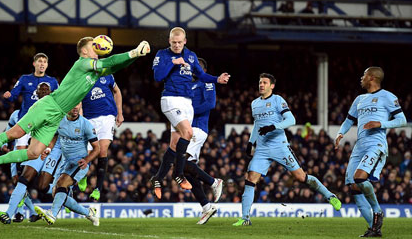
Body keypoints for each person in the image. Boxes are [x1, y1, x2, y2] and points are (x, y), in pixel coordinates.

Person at [0, 37, 150, 179]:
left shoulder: (94, 70)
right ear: (84, 51)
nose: (97, 49)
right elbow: (107, 62)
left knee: (33, 153)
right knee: (15, 134)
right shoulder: (82, 63)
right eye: (93, 47)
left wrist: (137, 55)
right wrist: (133, 52)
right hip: (48, 106)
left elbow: (114, 66)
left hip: (57, 115)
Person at [233, 73, 341, 226]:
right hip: (262, 149)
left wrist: (273, 126)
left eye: (264, 82)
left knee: (300, 177)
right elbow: (257, 124)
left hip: (280, 146)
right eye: (260, 82)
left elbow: (291, 120)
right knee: (250, 179)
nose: (261, 85)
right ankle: (245, 218)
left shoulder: (278, 100)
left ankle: (329, 195)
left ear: (272, 86)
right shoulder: (254, 103)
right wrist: (250, 142)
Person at [152, 27, 229, 190]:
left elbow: (201, 75)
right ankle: (178, 174)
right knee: (188, 133)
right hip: (171, 98)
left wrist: (217, 79)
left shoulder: (191, 56)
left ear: (185, 41)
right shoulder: (163, 55)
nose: (177, 45)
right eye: (174, 42)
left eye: (180, 42)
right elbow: (158, 77)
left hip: (187, 102)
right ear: (169, 41)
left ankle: (157, 177)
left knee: (174, 144)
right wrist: (173, 63)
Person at [334, 67, 407, 237]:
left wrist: (381, 124)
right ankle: (374, 228)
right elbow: (348, 120)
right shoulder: (359, 99)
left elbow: (402, 120)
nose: (361, 78)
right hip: (359, 146)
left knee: (360, 178)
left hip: (376, 144)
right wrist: (340, 133)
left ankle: (377, 211)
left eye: (363, 75)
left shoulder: (388, 96)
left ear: (372, 78)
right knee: (353, 186)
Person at [151, 57, 223, 224]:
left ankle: (214, 182)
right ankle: (206, 206)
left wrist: (187, 112)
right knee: (187, 169)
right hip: (185, 128)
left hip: (197, 127)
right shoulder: (186, 86)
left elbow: (210, 104)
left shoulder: (206, 82)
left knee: (180, 164)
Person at [0, 82, 55, 224]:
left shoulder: (52, 108)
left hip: (39, 150)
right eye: (41, 89)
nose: (44, 91)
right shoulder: (18, 114)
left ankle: (63, 191)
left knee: (39, 186)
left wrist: (49, 148)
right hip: (20, 152)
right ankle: (19, 213)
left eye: (46, 89)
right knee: (20, 181)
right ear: (34, 94)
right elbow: (9, 130)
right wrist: (5, 144)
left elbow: (54, 132)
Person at [35, 103, 100, 226]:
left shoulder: (85, 124)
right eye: (73, 105)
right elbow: (54, 138)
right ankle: (89, 212)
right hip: (65, 162)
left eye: (78, 106)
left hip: (79, 162)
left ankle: (52, 214)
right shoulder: (60, 121)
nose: (75, 108)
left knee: (62, 183)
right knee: (57, 193)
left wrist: (86, 160)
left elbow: (97, 148)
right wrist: (48, 150)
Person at [3, 53, 59, 151]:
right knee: (20, 151)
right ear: (34, 63)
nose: (42, 64)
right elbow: (13, 96)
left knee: (40, 152)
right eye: (40, 61)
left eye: (45, 62)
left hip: (43, 121)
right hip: (25, 119)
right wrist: (8, 96)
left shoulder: (53, 81)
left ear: (47, 65)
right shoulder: (24, 79)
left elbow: (59, 99)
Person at [81, 74, 124, 201]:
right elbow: (77, 99)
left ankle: (97, 189)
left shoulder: (107, 75)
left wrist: (120, 113)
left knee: (102, 150)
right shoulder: (82, 77)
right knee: (86, 153)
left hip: (107, 116)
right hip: (89, 119)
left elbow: (117, 91)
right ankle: (83, 176)